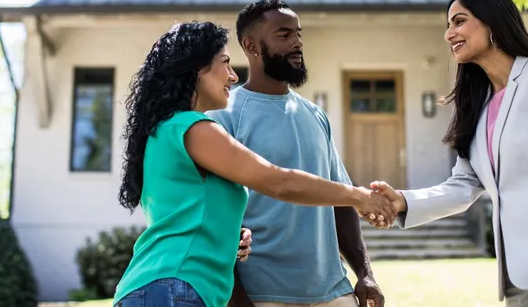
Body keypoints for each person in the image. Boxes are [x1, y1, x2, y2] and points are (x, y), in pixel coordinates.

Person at [113, 21, 395, 307]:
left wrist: (226, 236)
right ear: (197, 69)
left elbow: (184, 214)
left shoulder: (163, 131)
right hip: (174, 287)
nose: (233, 76)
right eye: (225, 63)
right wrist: (358, 196)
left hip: (155, 287)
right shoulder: (195, 128)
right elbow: (278, 182)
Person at [369, 0, 528, 307]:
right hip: (517, 278)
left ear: (492, 24)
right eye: (447, 25)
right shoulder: (479, 105)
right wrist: (401, 201)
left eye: (459, 21)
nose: (448, 34)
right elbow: (463, 186)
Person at [207, 0, 389, 307]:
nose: (297, 43)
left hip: (333, 291)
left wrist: (365, 272)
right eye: (284, 34)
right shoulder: (224, 117)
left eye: (298, 34)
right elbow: (216, 216)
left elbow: (341, 203)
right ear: (251, 44)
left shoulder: (315, 115)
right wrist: (239, 301)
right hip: (263, 295)